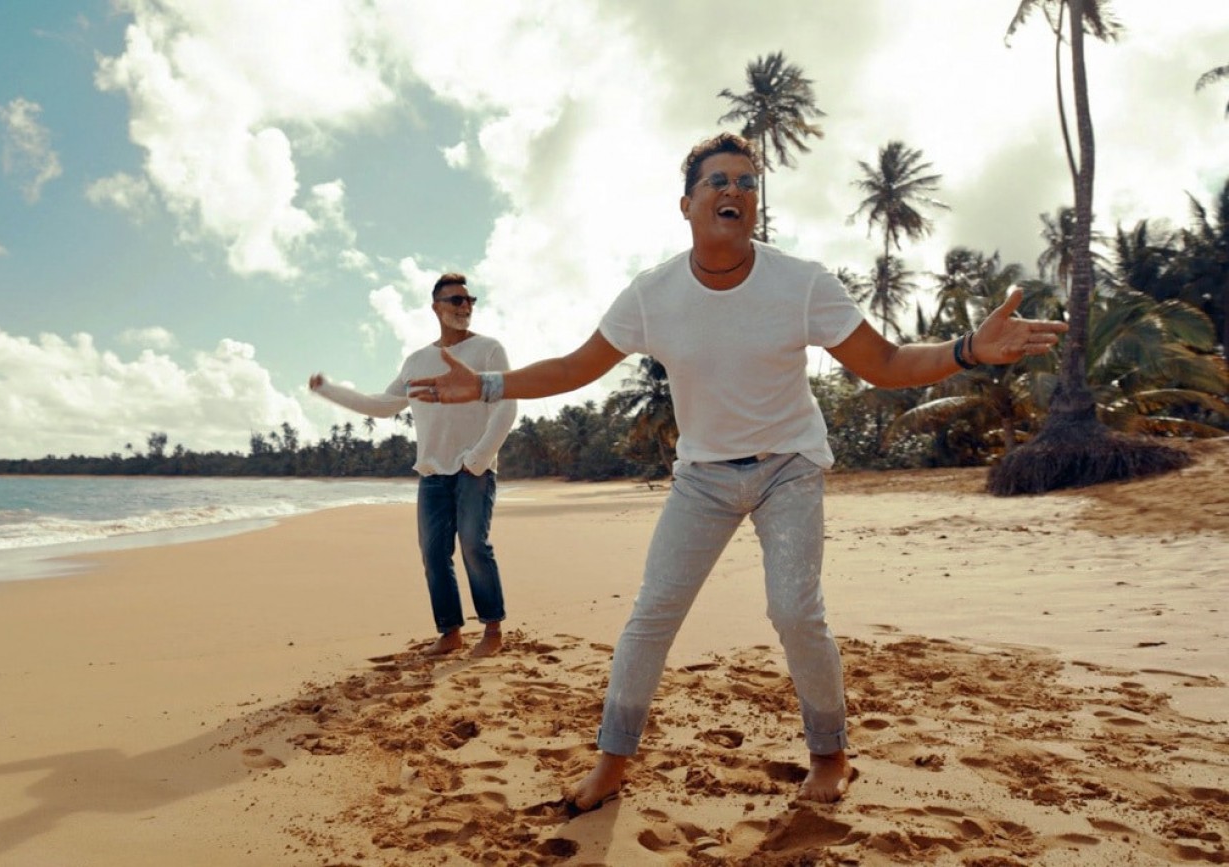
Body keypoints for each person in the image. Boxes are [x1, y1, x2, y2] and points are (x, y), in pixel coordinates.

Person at [406, 134, 1068, 806]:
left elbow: (886, 363)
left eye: (748, 183)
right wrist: (486, 386)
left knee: (795, 611)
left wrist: (967, 348)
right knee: (653, 613)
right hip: (703, 476)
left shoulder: (801, 282)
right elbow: (578, 367)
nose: (735, 191)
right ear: (686, 204)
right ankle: (612, 760)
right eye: (718, 181)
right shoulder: (653, 294)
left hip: (790, 466)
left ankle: (830, 754)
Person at [309, 273, 518, 658]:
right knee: (434, 555)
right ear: (436, 307)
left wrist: (478, 459)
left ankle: (492, 630)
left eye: (469, 300)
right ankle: (450, 633)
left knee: (474, 545)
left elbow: (507, 405)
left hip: (473, 470)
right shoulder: (416, 361)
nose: (465, 306)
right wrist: (328, 390)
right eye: (456, 300)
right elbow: (380, 406)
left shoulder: (489, 349)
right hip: (432, 475)